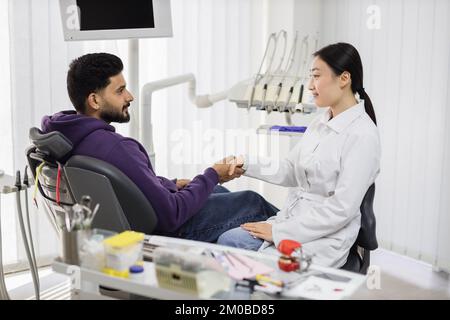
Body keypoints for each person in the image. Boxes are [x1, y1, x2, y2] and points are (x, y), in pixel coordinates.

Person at [41, 53, 278, 241]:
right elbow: (172, 215)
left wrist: (170, 184)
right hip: (163, 234)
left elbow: (126, 186)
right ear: (94, 100)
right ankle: (302, 250)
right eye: (120, 91)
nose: (130, 96)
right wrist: (213, 174)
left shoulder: (65, 136)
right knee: (251, 201)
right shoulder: (117, 148)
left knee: (219, 194)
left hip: (125, 222)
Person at [218, 43, 381, 268]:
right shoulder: (320, 122)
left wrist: (278, 231)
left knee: (255, 262)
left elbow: (340, 210)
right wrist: (246, 163)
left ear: (344, 78)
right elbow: (289, 170)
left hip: (325, 237)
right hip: (294, 222)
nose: (310, 86)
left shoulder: (363, 135)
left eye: (316, 76)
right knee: (229, 241)